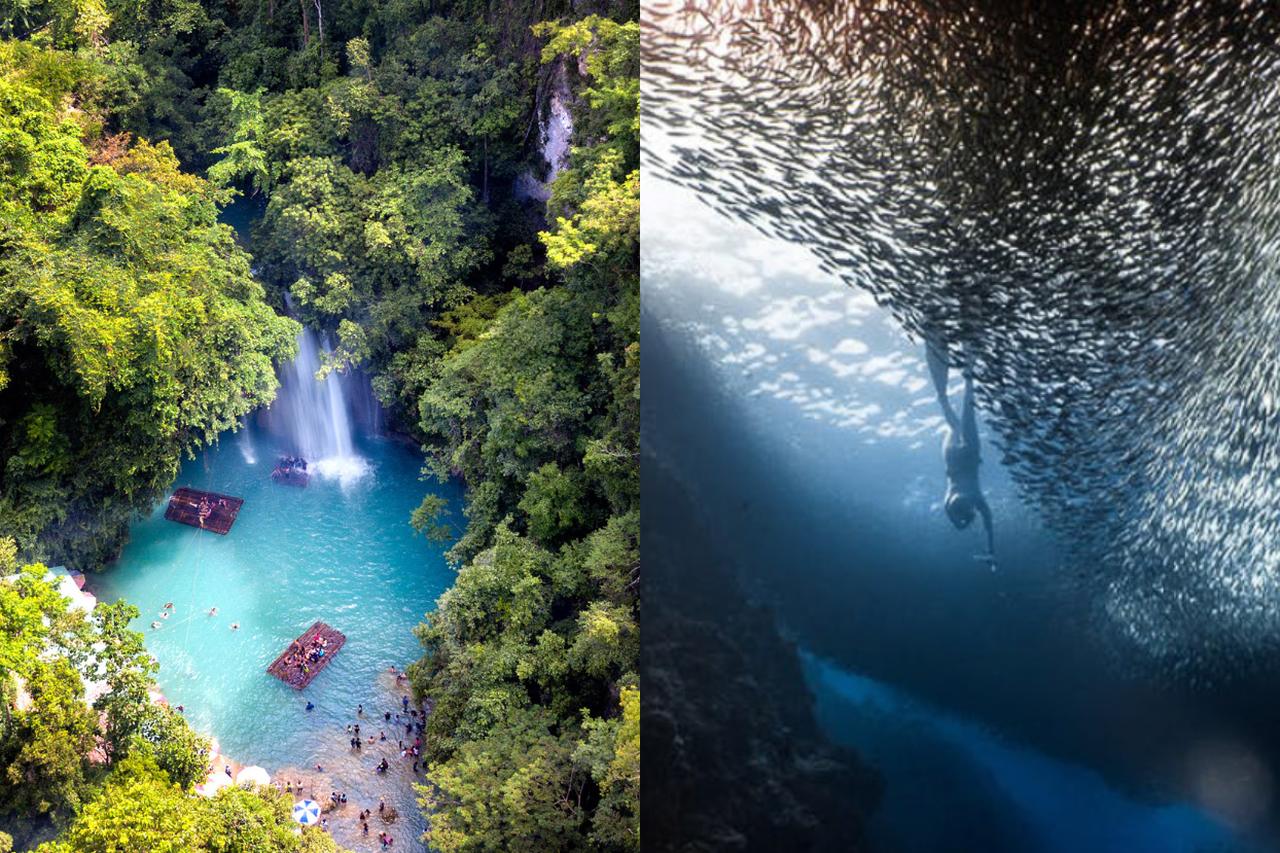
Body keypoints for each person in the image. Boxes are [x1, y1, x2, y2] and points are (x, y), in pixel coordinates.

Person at [926, 340, 996, 568]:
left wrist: (990, 550)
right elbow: (986, 523)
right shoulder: (968, 502)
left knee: (965, 401)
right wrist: (990, 550)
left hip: (963, 457)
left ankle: (958, 360)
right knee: (963, 402)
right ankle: (965, 356)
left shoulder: (971, 501)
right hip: (957, 458)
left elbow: (986, 522)